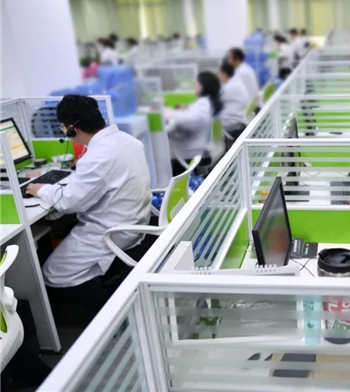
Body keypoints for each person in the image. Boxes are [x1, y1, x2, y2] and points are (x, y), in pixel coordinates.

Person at [25, 95, 151, 308]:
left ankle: (115, 310)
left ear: (72, 130)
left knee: (52, 274)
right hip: (135, 223)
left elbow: (69, 203)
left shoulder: (98, 155)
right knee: (67, 231)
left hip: (111, 232)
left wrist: (42, 189)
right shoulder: (128, 141)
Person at [166, 71, 223, 174]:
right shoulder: (204, 103)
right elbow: (192, 117)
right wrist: (186, 109)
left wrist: (170, 113)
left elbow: (187, 121)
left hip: (189, 152)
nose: (194, 86)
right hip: (193, 148)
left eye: (196, 83)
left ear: (203, 87)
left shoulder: (203, 105)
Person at [218, 62, 249, 141]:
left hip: (232, 122)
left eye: (219, 73)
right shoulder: (236, 83)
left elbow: (216, 103)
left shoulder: (228, 88)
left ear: (224, 74)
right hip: (240, 119)